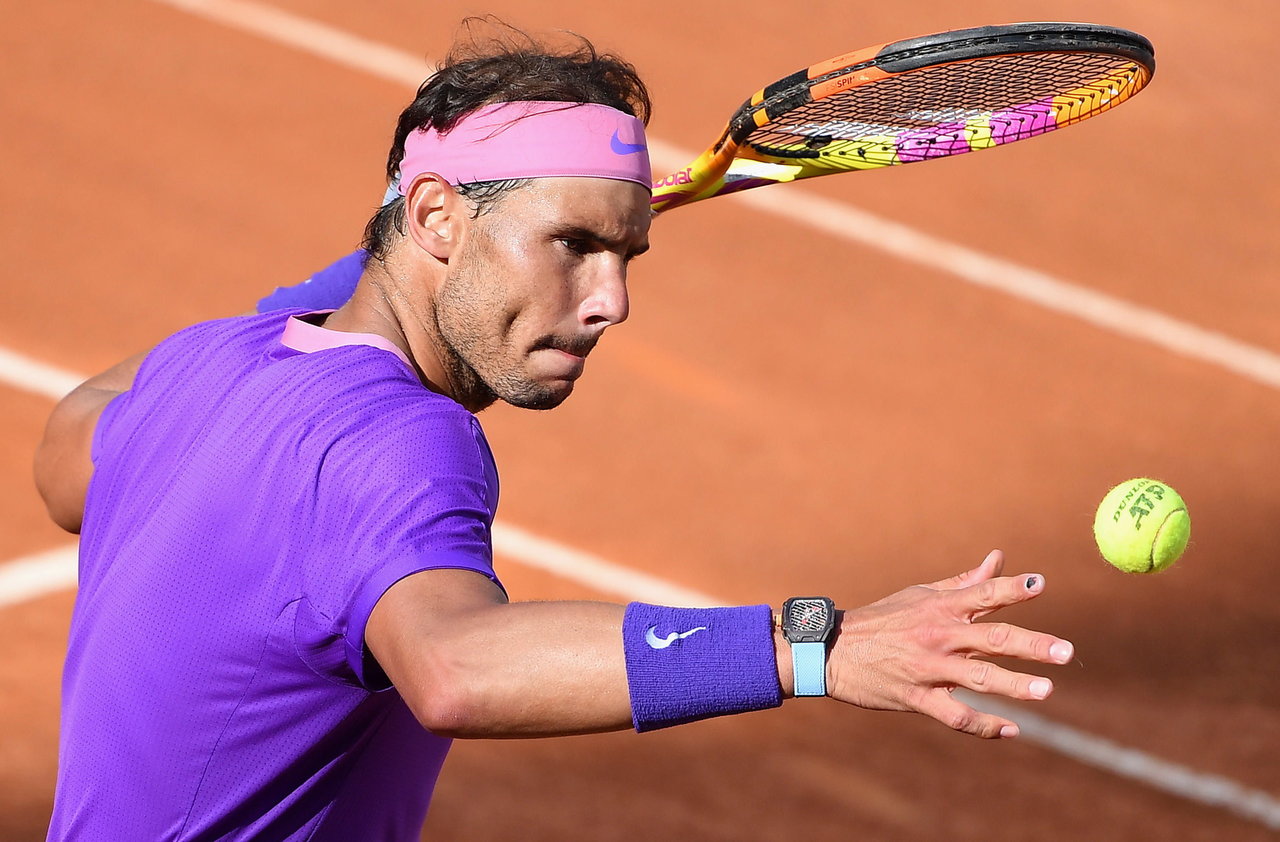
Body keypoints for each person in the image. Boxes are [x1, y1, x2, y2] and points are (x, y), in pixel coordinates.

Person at [33, 25, 1075, 842]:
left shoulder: (201, 365)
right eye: (572, 243)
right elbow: (454, 666)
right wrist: (816, 648)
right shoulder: (401, 442)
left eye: (624, 253)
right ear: (435, 218)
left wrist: (363, 268)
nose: (611, 301)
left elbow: (65, 454)